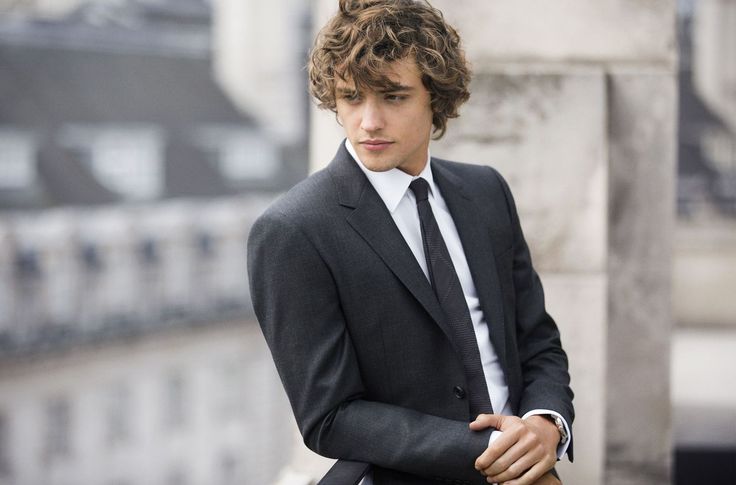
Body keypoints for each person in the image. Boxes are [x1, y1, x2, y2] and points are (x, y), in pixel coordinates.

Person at [247, 1, 574, 484]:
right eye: (352, 98)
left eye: (393, 97)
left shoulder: (486, 192)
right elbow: (330, 417)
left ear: (435, 98)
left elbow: (537, 339)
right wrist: (493, 450)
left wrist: (546, 424)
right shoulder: (293, 229)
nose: (369, 122)